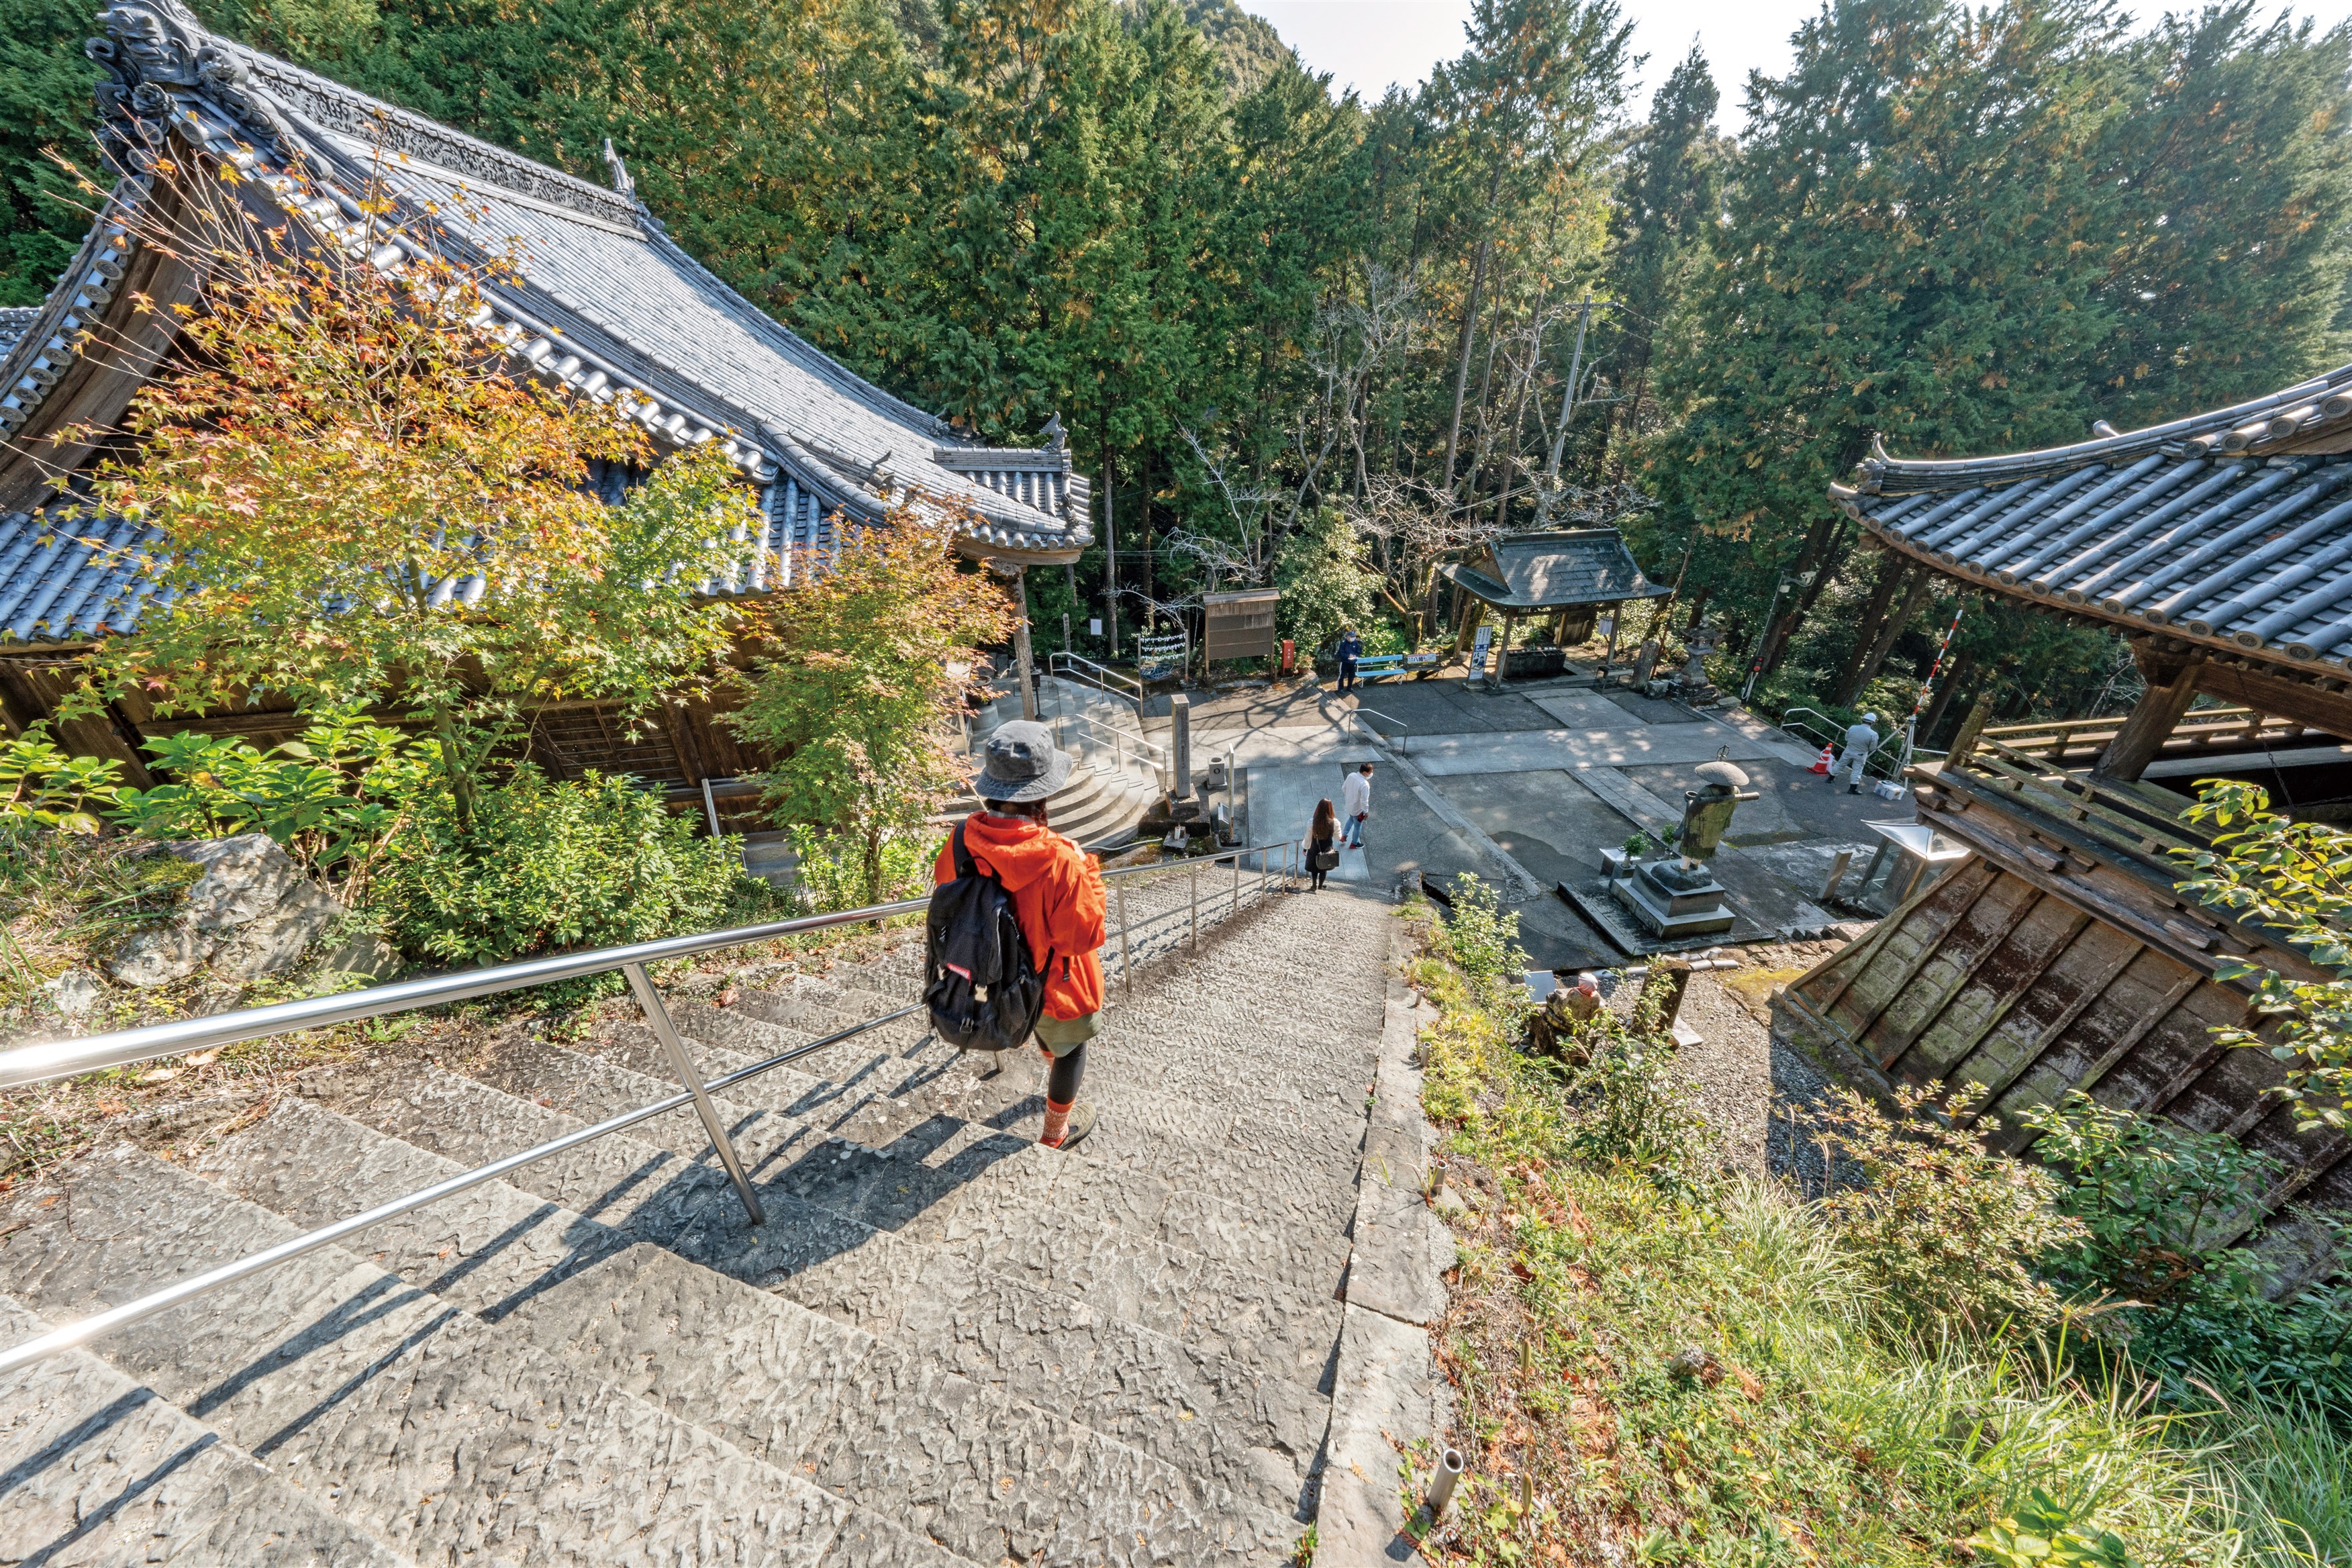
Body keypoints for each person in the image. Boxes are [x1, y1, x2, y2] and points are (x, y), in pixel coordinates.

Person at [934, 720, 1107, 1149]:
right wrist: (1092, 872)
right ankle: (1054, 1133)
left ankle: (1045, 1059)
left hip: (990, 982)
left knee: (1051, 1040)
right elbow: (1081, 938)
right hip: (1053, 984)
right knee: (1070, 1050)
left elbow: (948, 901)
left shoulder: (959, 841)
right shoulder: (1062, 860)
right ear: (1042, 799)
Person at [1834, 712, 1881, 796]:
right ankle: (1852, 789)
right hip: (1861, 754)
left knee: (1840, 764)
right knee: (1857, 771)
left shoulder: (1853, 728)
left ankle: (1830, 778)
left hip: (1849, 750)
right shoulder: (1873, 734)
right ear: (1873, 723)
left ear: (1863, 720)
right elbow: (1872, 748)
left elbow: (1847, 738)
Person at [1302, 798, 1338, 892]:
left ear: (1318, 808)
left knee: (1315, 868)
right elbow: (1338, 837)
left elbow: (1308, 837)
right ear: (1331, 808)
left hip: (1314, 847)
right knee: (1324, 868)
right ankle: (1320, 886)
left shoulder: (1312, 822)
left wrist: (1305, 849)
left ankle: (1314, 885)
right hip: (1327, 849)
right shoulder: (1335, 822)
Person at [1340, 761, 1373, 849]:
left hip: (1349, 805)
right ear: (1365, 773)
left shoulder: (1351, 775)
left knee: (1351, 819)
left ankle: (1344, 836)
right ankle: (1354, 843)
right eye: (1370, 773)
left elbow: (1344, 788)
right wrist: (1366, 811)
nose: (1371, 774)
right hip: (1358, 809)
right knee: (1358, 826)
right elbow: (1364, 801)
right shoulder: (1365, 785)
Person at [1335, 626, 1363, 692]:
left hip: (1352, 663)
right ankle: (1340, 688)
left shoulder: (1355, 642)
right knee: (1342, 676)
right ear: (1348, 637)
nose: (1353, 638)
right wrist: (1348, 656)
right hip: (1345, 662)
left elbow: (1358, 651)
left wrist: (1355, 655)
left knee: (1352, 676)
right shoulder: (1343, 643)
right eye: (1351, 637)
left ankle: (1349, 687)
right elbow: (1341, 653)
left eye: (1354, 637)